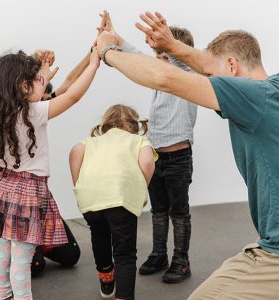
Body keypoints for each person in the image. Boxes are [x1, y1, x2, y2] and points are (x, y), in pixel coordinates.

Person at [95, 11, 279, 300]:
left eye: (210, 77)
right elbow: (198, 64)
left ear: (232, 66)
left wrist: (107, 51)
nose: (205, 82)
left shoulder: (253, 96)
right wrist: (166, 45)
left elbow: (164, 77)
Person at [0, 40, 100, 300]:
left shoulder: (0, 114)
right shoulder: (33, 112)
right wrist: (95, 64)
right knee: (22, 258)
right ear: (22, 86)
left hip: (4, 189)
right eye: (36, 79)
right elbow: (72, 95)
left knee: (2, 253)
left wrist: (41, 67)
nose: (42, 81)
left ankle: (2, 295)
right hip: (28, 192)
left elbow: (42, 89)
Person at [99, 11, 197, 283]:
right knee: (158, 211)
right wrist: (115, 37)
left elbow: (178, 58)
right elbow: (136, 56)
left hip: (179, 157)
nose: (159, 62)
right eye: (159, 56)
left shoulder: (187, 74)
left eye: (166, 54)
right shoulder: (157, 74)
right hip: (156, 157)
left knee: (179, 212)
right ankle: (159, 254)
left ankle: (181, 259)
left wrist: (168, 45)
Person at [69, 104, 157, 300]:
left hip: (90, 199)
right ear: (134, 125)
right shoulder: (139, 141)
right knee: (125, 253)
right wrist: (140, 187)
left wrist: (79, 186)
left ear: (106, 124)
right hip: (120, 199)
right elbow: (147, 163)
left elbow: (75, 151)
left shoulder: (90, 142)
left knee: (99, 236)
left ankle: (107, 280)